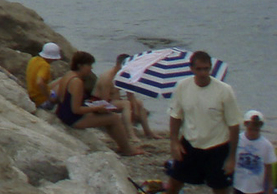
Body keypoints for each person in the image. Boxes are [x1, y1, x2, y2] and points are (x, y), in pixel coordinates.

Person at [165, 51, 242, 194]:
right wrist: (174, 141)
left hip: (217, 147)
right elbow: (176, 116)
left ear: (210, 69)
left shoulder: (224, 90)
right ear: (192, 69)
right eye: (199, 69)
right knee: (174, 183)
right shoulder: (182, 86)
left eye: (206, 69)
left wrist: (232, 157)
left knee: (220, 189)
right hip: (190, 144)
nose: (203, 73)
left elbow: (234, 125)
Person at [55, 51, 143, 155]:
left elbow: (62, 98)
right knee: (114, 118)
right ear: (80, 65)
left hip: (62, 112)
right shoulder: (77, 82)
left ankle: (123, 146)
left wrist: (92, 106)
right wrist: (96, 108)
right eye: (89, 65)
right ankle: (127, 149)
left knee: (107, 116)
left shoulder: (68, 75)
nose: (91, 68)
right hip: (72, 118)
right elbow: (76, 109)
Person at [96, 53, 155, 138]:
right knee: (126, 104)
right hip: (98, 103)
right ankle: (131, 134)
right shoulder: (107, 78)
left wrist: (135, 110)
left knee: (139, 103)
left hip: (115, 101)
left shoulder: (125, 75)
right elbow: (104, 101)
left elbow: (130, 94)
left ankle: (148, 132)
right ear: (118, 64)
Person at [233, 110, 274, 194]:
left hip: (257, 188)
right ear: (245, 124)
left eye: (257, 127)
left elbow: (268, 168)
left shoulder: (266, 145)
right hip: (238, 186)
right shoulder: (237, 140)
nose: (253, 130)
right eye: (251, 127)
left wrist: (270, 186)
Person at [27, 42, 62, 108]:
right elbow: (39, 82)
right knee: (64, 84)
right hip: (41, 101)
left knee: (62, 79)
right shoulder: (45, 66)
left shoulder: (33, 60)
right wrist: (48, 97)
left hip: (32, 94)